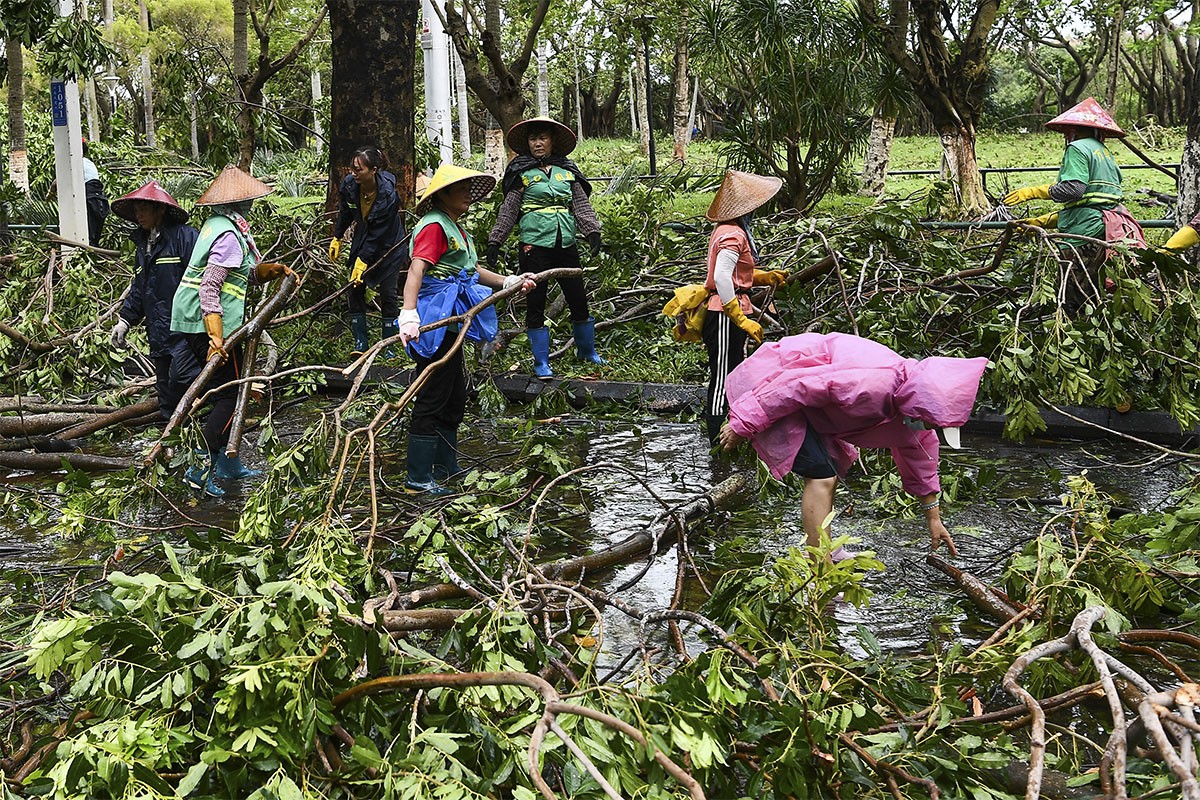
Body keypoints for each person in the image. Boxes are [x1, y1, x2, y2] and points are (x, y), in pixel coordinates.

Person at [718, 333, 989, 558]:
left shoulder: (912, 406)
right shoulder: (871, 384)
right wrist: (743, 423)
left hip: (811, 407)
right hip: (773, 384)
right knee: (821, 475)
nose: (929, 429)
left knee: (830, 471)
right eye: (930, 424)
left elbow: (921, 456)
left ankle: (827, 550)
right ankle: (819, 564)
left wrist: (933, 517)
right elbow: (796, 385)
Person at [399, 163, 535, 495]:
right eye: (460, 189)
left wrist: (508, 281)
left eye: (468, 190)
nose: (467, 196)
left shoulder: (455, 228)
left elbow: (471, 270)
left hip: (456, 317)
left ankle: (446, 466)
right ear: (442, 195)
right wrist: (408, 313)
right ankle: (418, 478)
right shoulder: (434, 226)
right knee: (433, 394)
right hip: (436, 317)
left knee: (455, 394)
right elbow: (417, 270)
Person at [168, 166, 294, 497]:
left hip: (196, 320)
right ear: (241, 204)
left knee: (228, 392)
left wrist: (269, 271)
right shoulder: (229, 236)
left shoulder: (217, 226)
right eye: (250, 200)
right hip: (207, 322)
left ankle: (226, 461)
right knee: (231, 396)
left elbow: (240, 276)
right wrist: (216, 338)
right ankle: (200, 467)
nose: (253, 205)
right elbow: (210, 287)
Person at [487, 116, 604, 379]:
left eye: (543, 138)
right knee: (535, 302)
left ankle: (587, 351)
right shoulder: (521, 173)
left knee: (578, 298)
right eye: (533, 139)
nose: (538, 144)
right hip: (534, 245)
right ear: (527, 143)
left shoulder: (567, 171)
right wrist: (496, 240)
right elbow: (509, 210)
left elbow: (580, 204)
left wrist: (592, 231)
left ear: (552, 141)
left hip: (566, 242)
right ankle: (541, 362)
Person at [1003, 97, 1146, 304]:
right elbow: (1093, 203)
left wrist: (1035, 191)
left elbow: (1074, 190)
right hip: (1104, 230)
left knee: (1074, 295)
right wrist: (1041, 222)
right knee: (1095, 293)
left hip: (1083, 237)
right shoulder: (1104, 153)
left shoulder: (1077, 148)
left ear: (1072, 130)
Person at [701, 170, 788, 444]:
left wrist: (763, 276)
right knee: (723, 376)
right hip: (724, 314)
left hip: (734, 306)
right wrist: (739, 317)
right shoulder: (733, 234)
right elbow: (721, 277)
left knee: (735, 371)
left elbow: (735, 272)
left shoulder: (729, 230)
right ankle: (716, 439)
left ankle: (733, 431)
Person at [108, 180, 199, 419]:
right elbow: (140, 287)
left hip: (186, 331)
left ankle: (206, 427)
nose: (138, 215)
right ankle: (173, 445)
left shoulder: (185, 238)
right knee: (166, 393)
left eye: (143, 209)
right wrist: (125, 321)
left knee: (183, 378)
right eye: (136, 210)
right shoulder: (143, 244)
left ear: (160, 209)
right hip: (158, 333)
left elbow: (204, 280)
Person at [329, 146, 406, 356]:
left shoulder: (388, 195)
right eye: (352, 168)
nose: (353, 173)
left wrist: (363, 260)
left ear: (373, 170)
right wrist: (337, 236)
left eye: (358, 169)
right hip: (364, 240)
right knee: (355, 287)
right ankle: (360, 343)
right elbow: (346, 213)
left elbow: (378, 233)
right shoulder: (350, 185)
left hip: (390, 245)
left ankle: (388, 345)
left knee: (388, 293)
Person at [82, 139, 110, 247]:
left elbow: (58, 182)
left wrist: (50, 194)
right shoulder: (90, 163)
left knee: (88, 233)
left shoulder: (74, 163)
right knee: (94, 236)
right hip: (99, 199)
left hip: (89, 197)